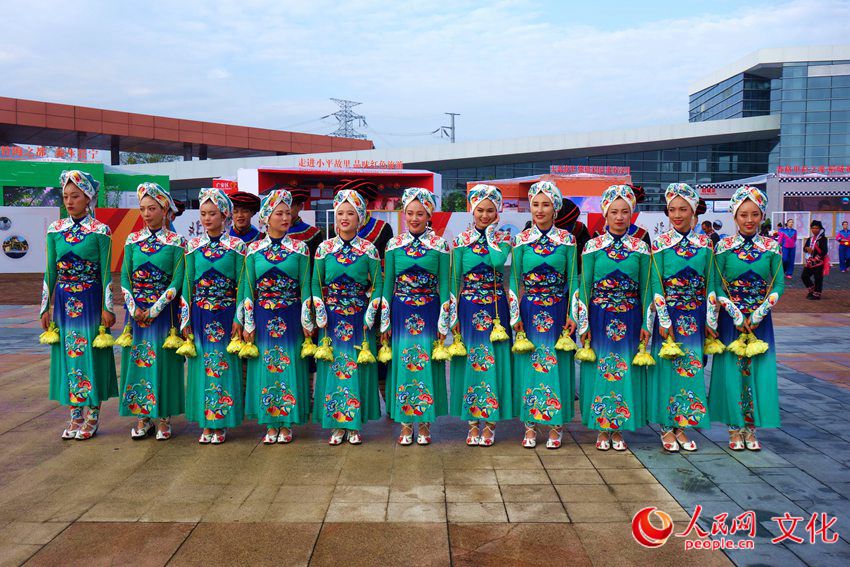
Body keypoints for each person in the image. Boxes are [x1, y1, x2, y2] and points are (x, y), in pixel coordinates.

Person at [41, 170, 117, 440]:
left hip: (91, 301)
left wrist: (107, 307)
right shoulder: (55, 230)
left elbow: (106, 273)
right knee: (68, 357)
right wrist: (44, 307)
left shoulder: (101, 231)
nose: (69, 201)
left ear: (89, 198)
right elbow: (50, 271)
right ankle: (74, 415)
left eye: (75, 196)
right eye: (65, 196)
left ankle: (93, 417)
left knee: (90, 357)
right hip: (63, 304)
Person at [575, 185, 651, 451]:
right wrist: (583, 323)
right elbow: (584, 287)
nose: (619, 217)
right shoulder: (592, 247)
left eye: (625, 212)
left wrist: (646, 323)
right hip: (599, 319)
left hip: (630, 319)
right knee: (601, 372)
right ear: (605, 214)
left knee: (624, 372)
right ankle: (601, 427)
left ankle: (617, 429)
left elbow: (646, 289)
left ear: (632, 214)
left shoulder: (641, 248)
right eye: (614, 212)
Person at [709, 185, 784, 451]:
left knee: (757, 373)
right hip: (732, 322)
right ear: (734, 216)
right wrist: (735, 312)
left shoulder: (772, 247)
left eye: (754, 214)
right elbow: (716, 286)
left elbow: (778, 286)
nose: (749, 220)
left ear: (762, 215)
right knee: (732, 373)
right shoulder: (724, 247)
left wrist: (762, 311)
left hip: (761, 324)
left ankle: (751, 429)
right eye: (743, 215)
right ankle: (733, 428)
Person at [647, 184, 716, 452]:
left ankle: (683, 427)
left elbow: (710, 284)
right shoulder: (661, 244)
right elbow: (656, 284)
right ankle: (666, 428)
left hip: (695, 318)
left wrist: (710, 320)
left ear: (693, 211)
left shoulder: (705, 244)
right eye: (672, 209)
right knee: (667, 372)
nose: (677, 215)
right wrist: (664, 322)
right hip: (669, 319)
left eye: (683, 209)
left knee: (691, 370)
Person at [509, 181, 578, 449]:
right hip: (530, 310)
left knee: (557, 366)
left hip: (559, 311)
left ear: (555, 209)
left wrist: (573, 313)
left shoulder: (567, 240)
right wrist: (515, 315)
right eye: (535, 204)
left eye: (545, 204)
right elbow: (515, 281)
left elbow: (573, 279)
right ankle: (529, 425)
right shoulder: (521, 240)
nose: (539, 210)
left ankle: (556, 425)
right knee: (531, 366)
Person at [311, 190, 383, 445]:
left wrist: (372, 309)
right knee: (334, 369)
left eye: (350, 213)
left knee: (355, 370)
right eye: (340, 213)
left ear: (360, 218)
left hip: (359, 319)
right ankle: (336, 425)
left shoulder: (369, 250)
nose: (344, 218)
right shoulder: (323, 249)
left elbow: (377, 285)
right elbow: (315, 283)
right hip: (330, 319)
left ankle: (353, 425)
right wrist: (319, 311)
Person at [380, 188, 450, 445]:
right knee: (404, 367)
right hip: (401, 314)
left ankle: (426, 425)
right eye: (409, 213)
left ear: (429, 214)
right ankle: (406, 424)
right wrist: (385, 321)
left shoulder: (440, 245)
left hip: (430, 313)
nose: (414, 218)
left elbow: (444, 287)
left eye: (420, 213)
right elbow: (388, 286)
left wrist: (445, 322)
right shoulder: (393, 245)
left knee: (427, 367)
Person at [241, 190, 312, 444]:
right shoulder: (253, 250)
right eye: (278, 213)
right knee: (266, 370)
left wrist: (307, 321)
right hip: (261, 318)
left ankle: (287, 422)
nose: (285, 217)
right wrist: (247, 323)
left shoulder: (300, 248)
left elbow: (306, 288)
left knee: (288, 367)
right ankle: (270, 423)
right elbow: (247, 289)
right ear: (266, 218)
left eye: (287, 212)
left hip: (291, 317)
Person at [118, 183, 186, 440]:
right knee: (138, 363)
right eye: (142, 209)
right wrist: (134, 308)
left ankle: (164, 417)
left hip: (164, 316)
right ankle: (142, 416)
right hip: (135, 316)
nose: (146, 214)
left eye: (152, 208)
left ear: (164, 209)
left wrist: (155, 308)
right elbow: (125, 277)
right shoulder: (132, 240)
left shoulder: (177, 242)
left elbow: (177, 281)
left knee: (164, 363)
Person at [449, 184, 514, 446]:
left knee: (493, 364)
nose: (485, 215)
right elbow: (455, 279)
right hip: (468, 308)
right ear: (472, 210)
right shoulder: (461, 241)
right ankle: (472, 422)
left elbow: (498, 263)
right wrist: (452, 316)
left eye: (490, 211)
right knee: (471, 365)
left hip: (496, 311)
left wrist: (489, 234)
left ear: (497, 212)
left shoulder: (504, 239)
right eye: (480, 211)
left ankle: (490, 424)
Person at [181, 188, 247, 444]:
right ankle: (206, 421)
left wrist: (240, 318)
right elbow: (188, 283)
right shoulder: (193, 245)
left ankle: (220, 422)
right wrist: (185, 317)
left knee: (223, 367)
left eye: (213, 214)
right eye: (203, 214)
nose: (207, 219)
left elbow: (243, 285)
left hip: (226, 314)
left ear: (224, 215)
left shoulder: (237, 246)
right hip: (200, 315)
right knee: (201, 368)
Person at [286, 187, 325, 260]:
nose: (286, 210)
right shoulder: (271, 233)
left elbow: (316, 263)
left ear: (300, 206)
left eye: (290, 206)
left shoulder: (313, 233)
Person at [801, 220, 829, 300]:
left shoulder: (823, 239)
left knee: (818, 278)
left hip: (818, 262)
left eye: (816, 228)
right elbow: (804, 248)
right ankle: (812, 290)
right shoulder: (810, 239)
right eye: (813, 228)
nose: (814, 230)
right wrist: (807, 249)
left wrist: (815, 254)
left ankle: (817, 294)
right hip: (810, 262)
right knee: (804, 276)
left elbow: (824, 251)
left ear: (820, 229)